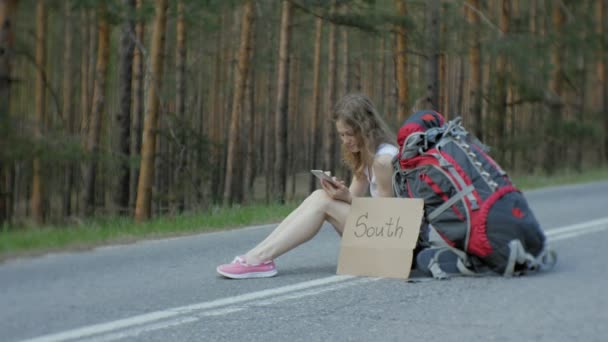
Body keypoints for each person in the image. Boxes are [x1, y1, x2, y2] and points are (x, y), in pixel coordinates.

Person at [216, 93, 399, 279]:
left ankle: (259, 259)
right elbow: (352, 200)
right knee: (321, 196)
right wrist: (337, 192)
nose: (345, 140)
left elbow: (387, 217)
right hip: (380, 236)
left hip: (394, 248)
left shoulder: (383, 161)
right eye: (341, 135)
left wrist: (346, 198)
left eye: (349, 134)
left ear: (365, 129)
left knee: (323, 203)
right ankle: (256, 256)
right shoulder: (366, 155)